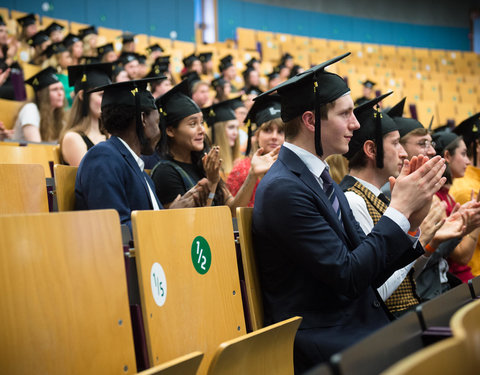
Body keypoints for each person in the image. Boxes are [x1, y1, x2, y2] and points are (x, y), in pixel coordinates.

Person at [252, 53, 447, 373]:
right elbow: (348, 276)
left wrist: (411, 221)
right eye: (345, 115)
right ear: (311, 120)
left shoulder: (319, 178)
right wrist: (397, 210)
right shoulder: (283, 189)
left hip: (355, 327)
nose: (355, 124)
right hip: (325, 344)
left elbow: (366, 266)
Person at [340, 93, 464, 316]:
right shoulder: (353, 200)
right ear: (371, 150)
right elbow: (375, 291)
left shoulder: (380, 197)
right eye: (396, 143)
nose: (404, 153)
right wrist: (422, 237)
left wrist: (425, 241)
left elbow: (408, 281)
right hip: (388, 324)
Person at [151, 79, 277, 214]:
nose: (202, 130)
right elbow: (192, 225)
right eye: (193, 124)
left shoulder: (203, 165)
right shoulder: (165, 173)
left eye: (201, 122)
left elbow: (233, 211)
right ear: (170, 131)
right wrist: (212, 182)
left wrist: (252, 175)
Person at [75, 78, 163, 230]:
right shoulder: (103, 158)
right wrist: (167, 222)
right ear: (143, 119)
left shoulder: (137, 169)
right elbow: (115, 229)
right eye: (157, 123)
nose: (159, 131)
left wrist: (173, 213)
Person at [431, 130, 480, 284]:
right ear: (447, 156)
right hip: (456, 282)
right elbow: (462, 257)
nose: (468, 161)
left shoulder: (448, 195)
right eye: (464, 154)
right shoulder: (438, 199)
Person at [227, 94, 283, 207]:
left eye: (281, 131)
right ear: (257, 135)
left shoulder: (293, 166)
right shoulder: (242, 170)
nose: (274, 136)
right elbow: (233, 215)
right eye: (267, 130)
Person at [60, 62, 112, 166]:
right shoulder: (73, 138)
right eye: (101, 95)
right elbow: (90, 178)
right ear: (82, 96)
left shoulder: (109, 136)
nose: (107, 101)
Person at [13, 67, 65, 142]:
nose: (60, 93)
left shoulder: (58, 115)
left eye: (61, 89)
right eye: (54, 89)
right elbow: (37, 146)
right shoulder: (30, 110)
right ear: (41, 94)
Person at [203, 99, 242, 176]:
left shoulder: (238, 161)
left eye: (236, 128)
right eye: (231, 127)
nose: (235, 133)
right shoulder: (207, 164)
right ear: (218, 132)